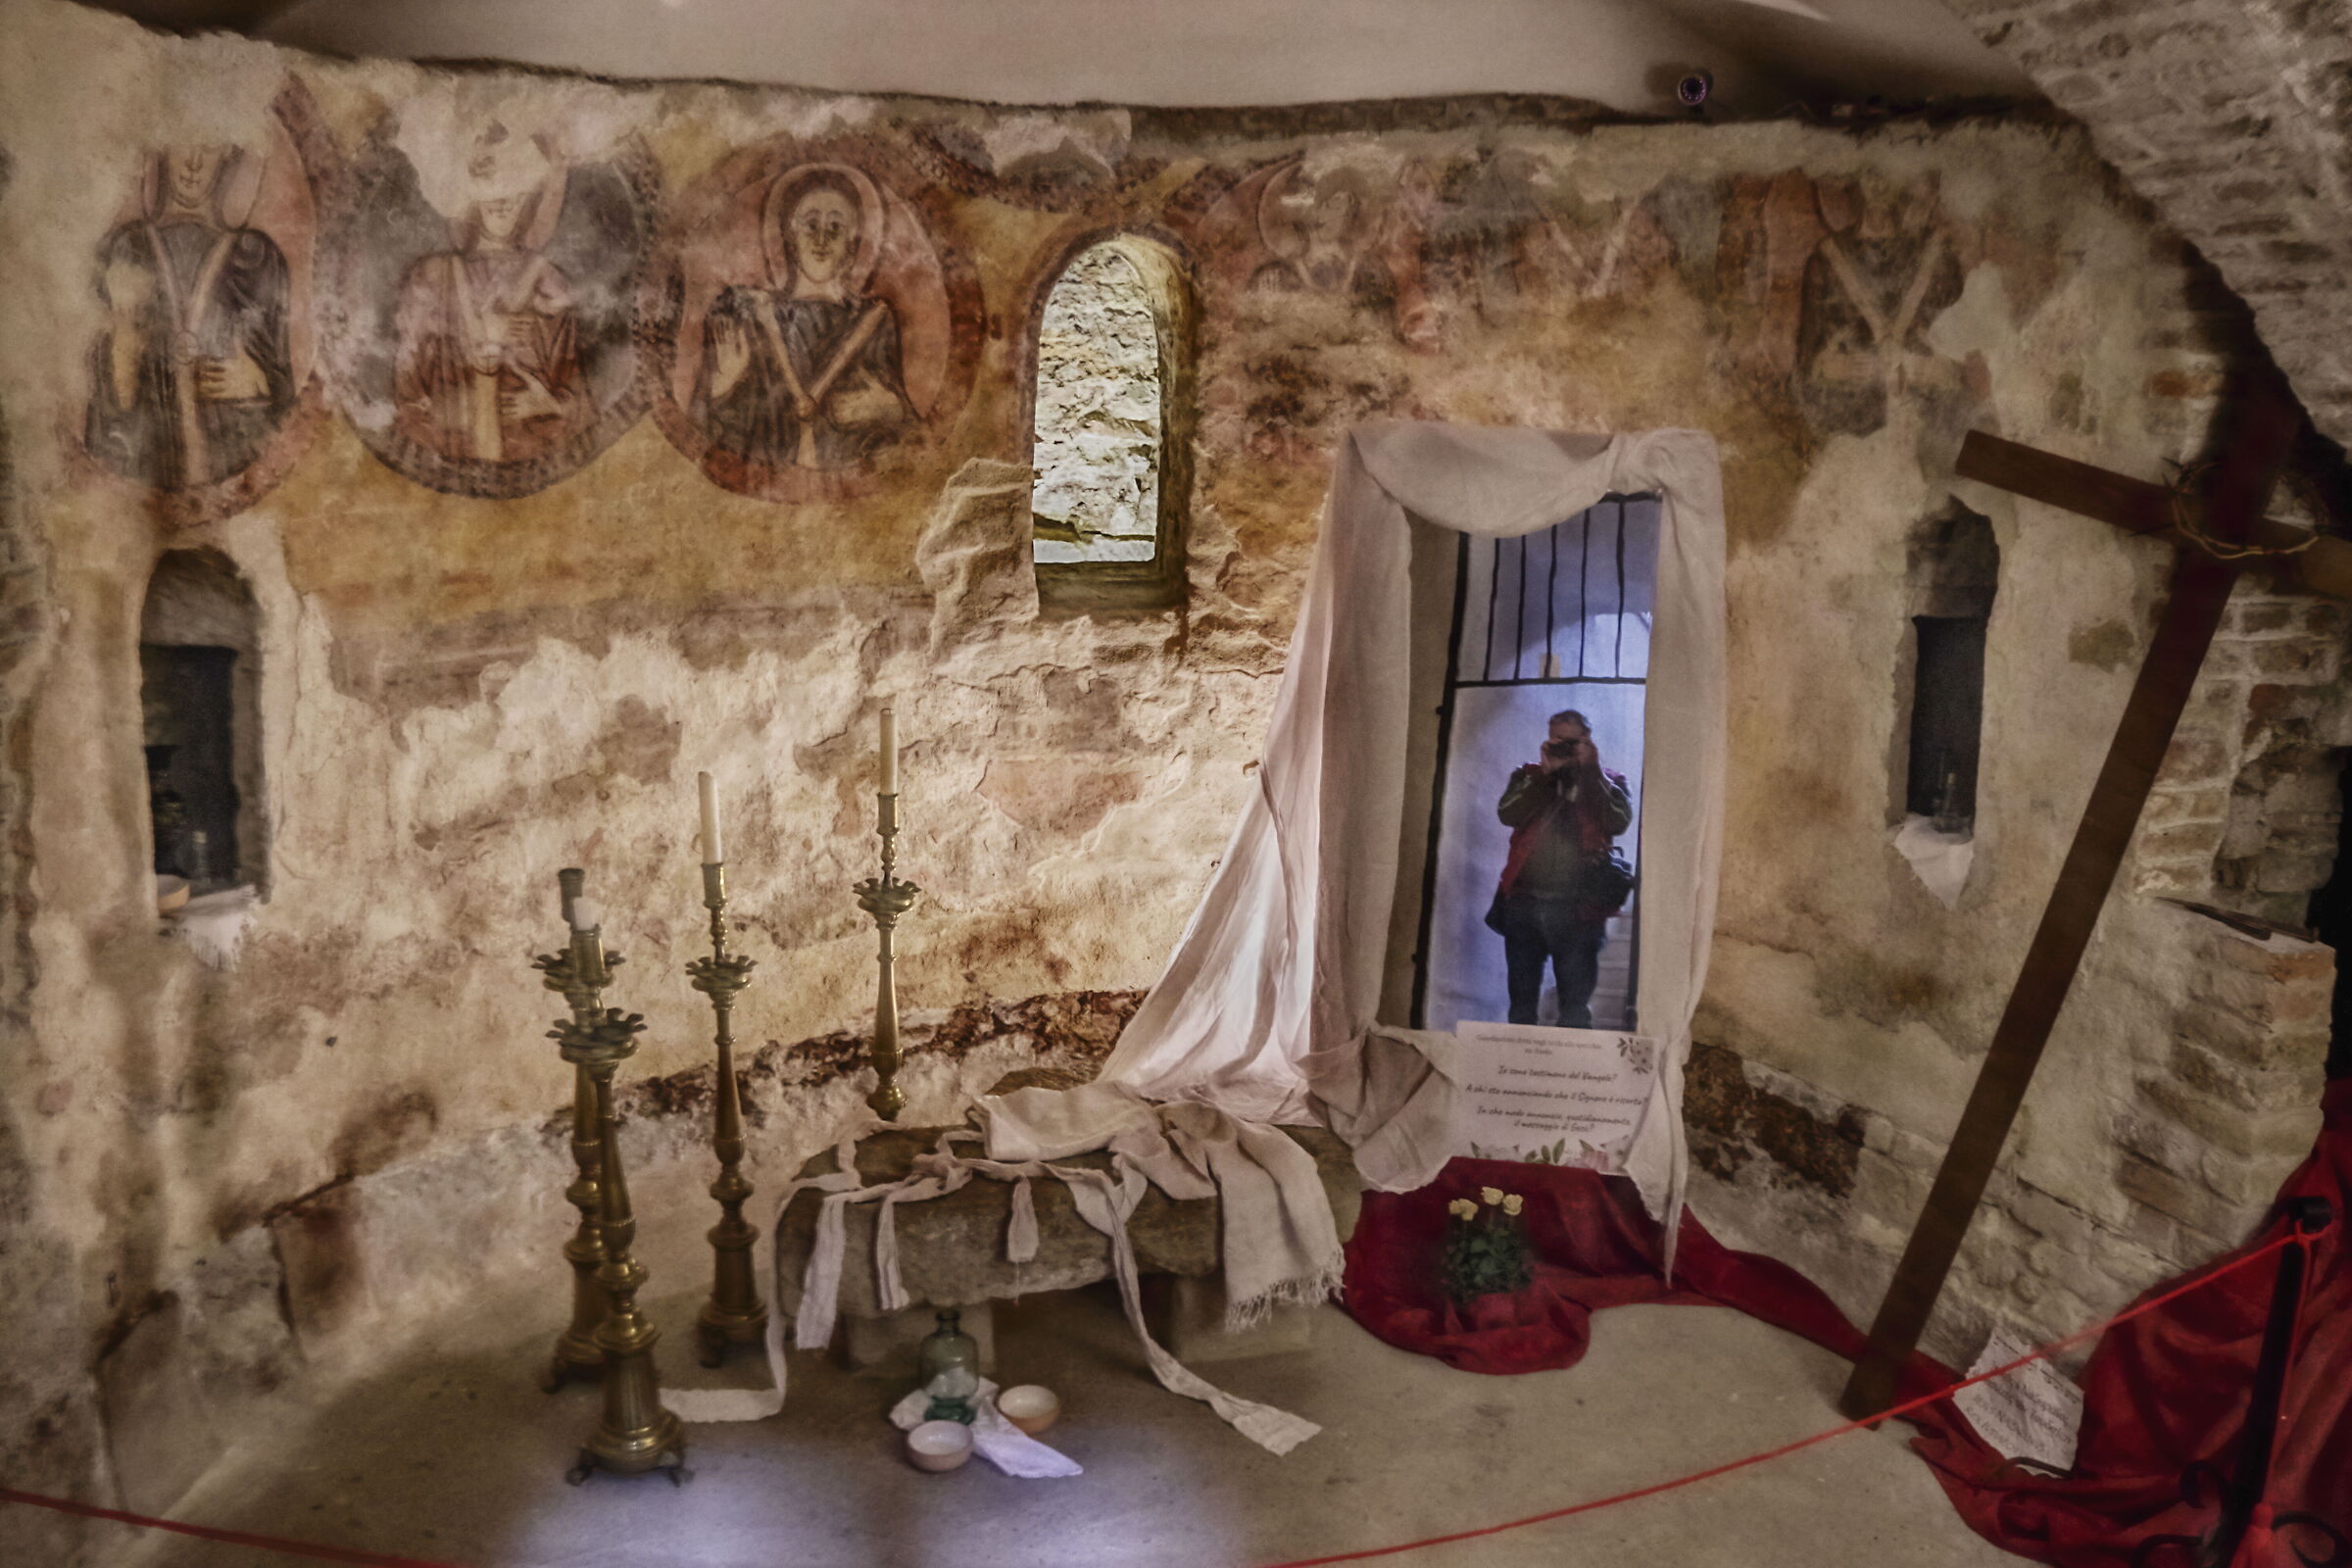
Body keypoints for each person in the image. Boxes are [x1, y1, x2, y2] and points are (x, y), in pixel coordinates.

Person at [85, 145, 295, 491]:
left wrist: (258, 383)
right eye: (184, 147)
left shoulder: (255, 260)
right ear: (164, 153)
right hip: (150, 464)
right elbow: (107, 416)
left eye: (208, 151)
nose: (194, 165)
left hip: (229, 460)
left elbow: (283, 390)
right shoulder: (128, 249)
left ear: (227, 160)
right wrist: (122, 349)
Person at [393, 122, 589, 468]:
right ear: (470, 196)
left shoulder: (548, 281)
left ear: (531, 197)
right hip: (455, 451)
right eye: (491, 190)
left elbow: (579, 398)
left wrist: (547, 405)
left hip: (530, 453)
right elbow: (409, 396)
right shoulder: (432, 278)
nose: (503, 205)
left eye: (516, 191)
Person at [694, 170, 913, 472]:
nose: (822, 239)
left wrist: (890, 409)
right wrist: (722, 389)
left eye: (836, 227)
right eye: (811, 225)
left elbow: (917, 452)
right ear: (791, 237)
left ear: (852, 245)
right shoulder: (748, 316)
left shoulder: (874, 321)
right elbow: (711, 444)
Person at [1486, 709, 1633, 1028]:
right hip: (1524, 904)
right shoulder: (1529, 776)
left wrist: (1592, 773)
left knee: (1575, 1011)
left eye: (1572, 742)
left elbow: (1618, 821)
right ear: (1548, 738)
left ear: (1587, 741)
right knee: (1521, 1007)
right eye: (1557, 740)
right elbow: (1508, 814)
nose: (1564, 748)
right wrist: (1546, 774)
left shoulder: (1610, 780)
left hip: (1579, 910)